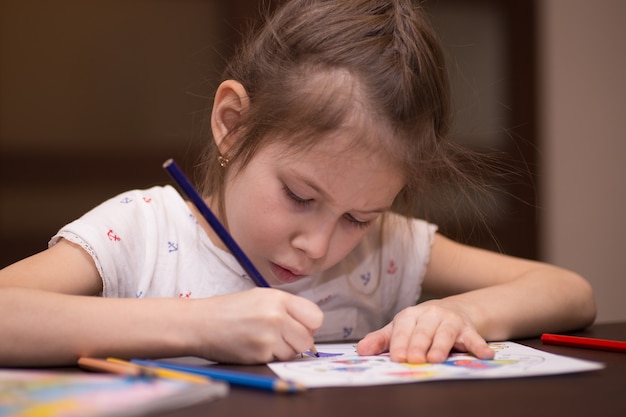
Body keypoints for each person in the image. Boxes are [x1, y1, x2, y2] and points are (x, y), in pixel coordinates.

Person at [0, 0, 595, 367]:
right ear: (233, 126)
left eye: (357, 217)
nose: (320, 245)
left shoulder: (382, 250)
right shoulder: (142, 232)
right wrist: (198, 325)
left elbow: (568, 291)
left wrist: (457, 314)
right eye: (300, 197)